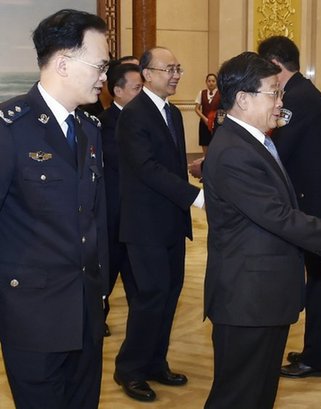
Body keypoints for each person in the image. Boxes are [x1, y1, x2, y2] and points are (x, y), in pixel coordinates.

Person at [202, 51, 321, 409]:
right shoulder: (233, 151)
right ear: (243, 99)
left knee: (259, 395)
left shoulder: (253, 141)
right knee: (237, 397)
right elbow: (278, 216)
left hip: (264, 297)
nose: (281, 102)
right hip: (247, 300)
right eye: (273, 92)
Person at [0, 9, 109, 409]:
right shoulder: (10, 128)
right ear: (63, 63)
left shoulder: (89, 129)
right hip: (32, 318)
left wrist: (101, 294)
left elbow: (96, 220)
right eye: (100, 65)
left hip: (86, 315)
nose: (104, 76)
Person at [257, 36, 321, 378]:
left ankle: (317, 359)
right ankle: (316, 351)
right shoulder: (301, 92)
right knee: (319, 283)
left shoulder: (297, 98)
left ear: (275, 65)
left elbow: (276, 150)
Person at [113, 47, 204, 402]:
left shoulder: (173, 113)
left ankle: (155, 362)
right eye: (169, 69)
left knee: (168, 296)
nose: (176, 74)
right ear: (147, 74)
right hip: (144, 226)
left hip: (171, 223)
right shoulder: (133, 115)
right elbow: (147, 168)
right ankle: (129, 369)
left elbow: (173, 167)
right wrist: (195, 197)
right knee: (150, 298)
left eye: (178, 68)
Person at [98, 62, 143, 337]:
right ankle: (96, 321)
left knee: (140, 287)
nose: (142, 93)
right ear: (118, 91)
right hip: (113, 218)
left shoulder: (145, 121)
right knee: (104, 279)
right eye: (137, 88)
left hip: (138, 220)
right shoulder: (103, 124)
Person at [194, 73, 221, 155]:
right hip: (204, 123)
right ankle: (205, 159)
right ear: (206, 82)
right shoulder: (201, 93)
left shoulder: (221, 94)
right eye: (209, 81)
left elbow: (223, 110)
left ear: (216, 82)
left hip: (216, 124)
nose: (211, 83)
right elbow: (196, 109)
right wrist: (205, 119)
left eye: (213, 81)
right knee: (205, 143)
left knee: (217, 144)